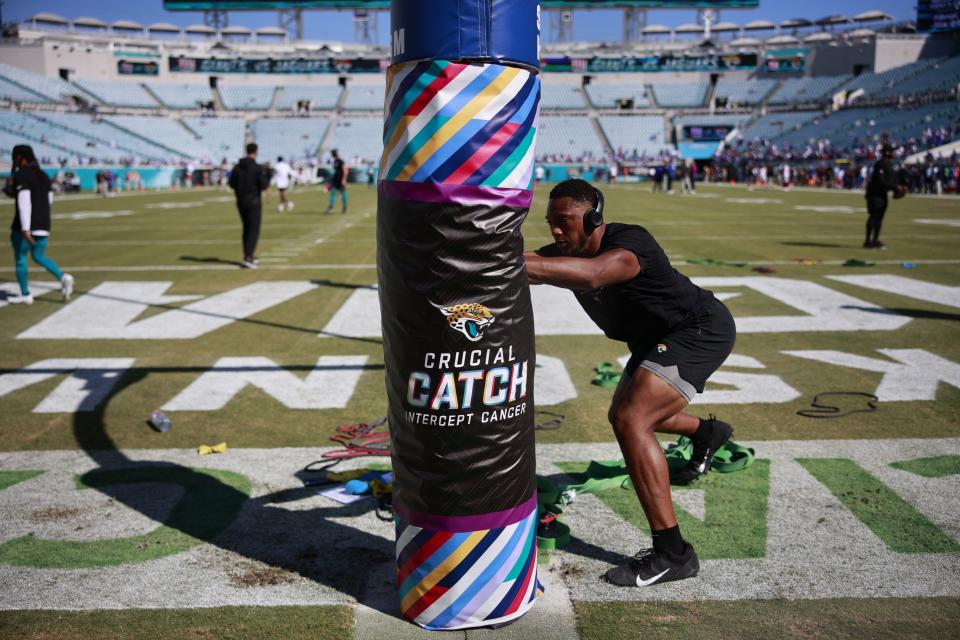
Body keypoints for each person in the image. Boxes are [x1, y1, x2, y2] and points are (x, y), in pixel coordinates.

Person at [523, 179, 737, 588]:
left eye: (564, 222)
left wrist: (511, 263)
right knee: (625, 416)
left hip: (697, 329)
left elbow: (594, 274)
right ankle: (707, 432)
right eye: (551, 222)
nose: (555, 230)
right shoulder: (566, 252)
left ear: (594, 217)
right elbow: (530, 263)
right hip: (653, 339)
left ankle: (674, 553)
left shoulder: (628, 245)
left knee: (632, 419)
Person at [4, 144, 74, 304]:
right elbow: (49, 200)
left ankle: (26, 294)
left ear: (20, 157)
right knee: (38, 256)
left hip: (27, 225)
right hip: (44, 223)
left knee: (21, 258)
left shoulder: (22, 174)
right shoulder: (43, 175)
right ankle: (63, 277)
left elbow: (24, 202)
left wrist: (25, 228)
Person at [228, 143, 269, 269]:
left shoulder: (237, 167)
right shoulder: (257, 168)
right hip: (254, 202)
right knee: (253, 229)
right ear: (256, 152)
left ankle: (248, 253)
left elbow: (231, 184)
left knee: (246, 228)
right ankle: (248, 256)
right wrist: (267, 176)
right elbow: (263, 185)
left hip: (240, 201)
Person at [864, 145, 904, 250]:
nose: (895, 153)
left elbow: (890, 180)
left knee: (879, 218)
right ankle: (868, 241)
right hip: (875, 194)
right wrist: (895, 187)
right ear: (887, 152)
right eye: (893, 151)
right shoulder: (881, 164)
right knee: (874, 217)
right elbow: (881, 181)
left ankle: (875, 240)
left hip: (882, 194)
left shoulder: (888, 164)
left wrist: (897, 188)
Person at [324, 149, 348, 215]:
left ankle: (344, 207)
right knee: (333, 193)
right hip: (335, 180)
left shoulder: (340, 161)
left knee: (343, 193)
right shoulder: (335, 161)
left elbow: (345, 170)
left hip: (340, 180)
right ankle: (330, 208)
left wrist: (344, 179)